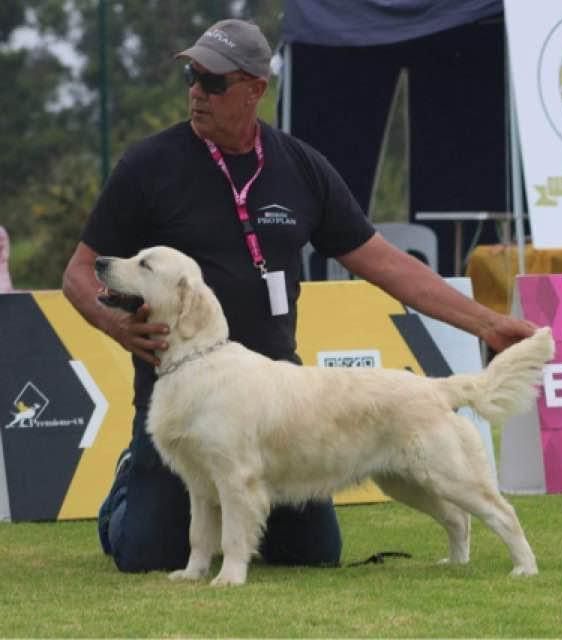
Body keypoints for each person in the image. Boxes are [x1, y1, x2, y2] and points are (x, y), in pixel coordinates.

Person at [62, 18, 536, 574]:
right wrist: (117, 326)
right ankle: (131, 484)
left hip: (277, 408)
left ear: (255, 89)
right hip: (185, 400)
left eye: (213, 82)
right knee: (144, 553)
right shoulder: (148, 165)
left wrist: (485, 324)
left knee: (312, 555)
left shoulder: (302, 168)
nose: (197, 92)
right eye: (192, 77)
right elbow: (79, 274)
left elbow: (385, 265)